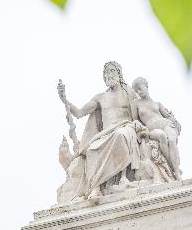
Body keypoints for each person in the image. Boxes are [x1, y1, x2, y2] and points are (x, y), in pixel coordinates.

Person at [65, 61, 145, 203]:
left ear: (119, 74)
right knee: (92, 149)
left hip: (126, 127)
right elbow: (79, 113)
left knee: (120, 135)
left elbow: (142, 109)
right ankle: (95, 187)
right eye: (106, 73)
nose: (108, 75)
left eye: (112, 71)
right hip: (105, 133)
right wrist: (65, 100)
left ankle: (123, 179)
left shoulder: (129, 92)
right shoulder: (100, 97)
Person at [132, 77, 181, 179]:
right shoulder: (136, 103)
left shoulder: (157, 104)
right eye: (136, 91)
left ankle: (177, 172)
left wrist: (174, 121)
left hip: (166, 124)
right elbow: (135, 120)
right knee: (162, 136)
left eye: (140, 88)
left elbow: (168, 116)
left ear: (146, 86)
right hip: (151, 129)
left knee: (171, 141)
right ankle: (172, 166)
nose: (139, 92)